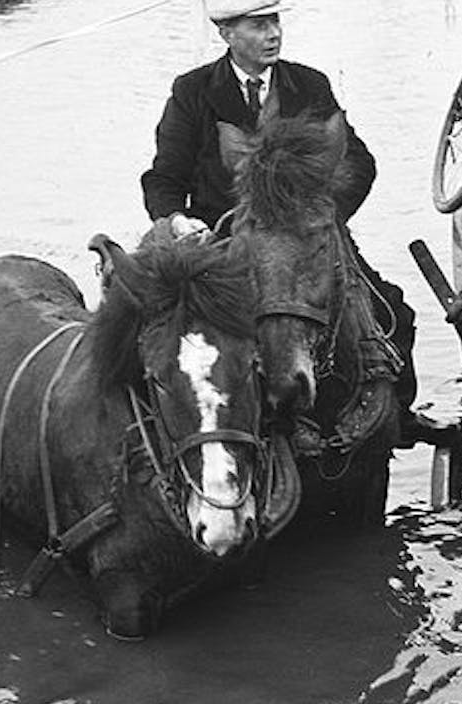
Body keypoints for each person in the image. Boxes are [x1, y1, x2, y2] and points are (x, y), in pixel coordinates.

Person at [140, 0, 429, 436]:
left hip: (306, 235)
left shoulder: (309, 85)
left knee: (393, 310)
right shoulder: (193, 90)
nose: (273, 33)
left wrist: (319, 215)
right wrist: (178, 221)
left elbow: (360, 162)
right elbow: (163, 178)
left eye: (275, 21)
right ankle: (163, 434)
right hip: (226, 247)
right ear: (227, 34)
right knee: (162, 333)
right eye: (258, 25)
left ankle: (398, 420)